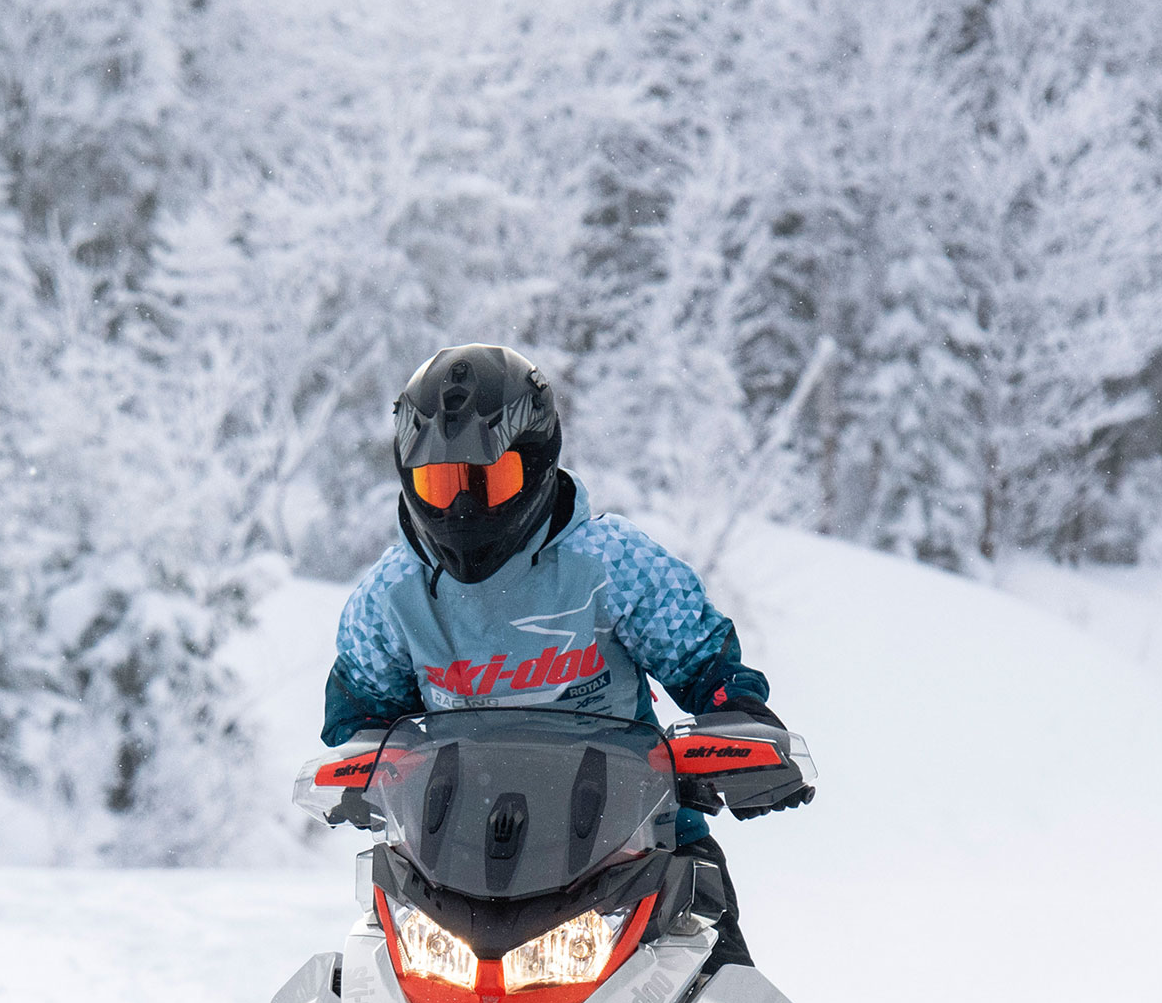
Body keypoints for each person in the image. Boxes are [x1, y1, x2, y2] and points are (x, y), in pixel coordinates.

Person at [317, 343, 803, 967]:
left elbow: (709, 668)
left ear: (538, 462)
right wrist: (361, 774)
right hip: (446, 882)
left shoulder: (613, 565)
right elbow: (359, 720)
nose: (464, 509)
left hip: (638, 862)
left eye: (488, 481)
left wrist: (743, 734)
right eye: (440, 484)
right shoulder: (390, 598)